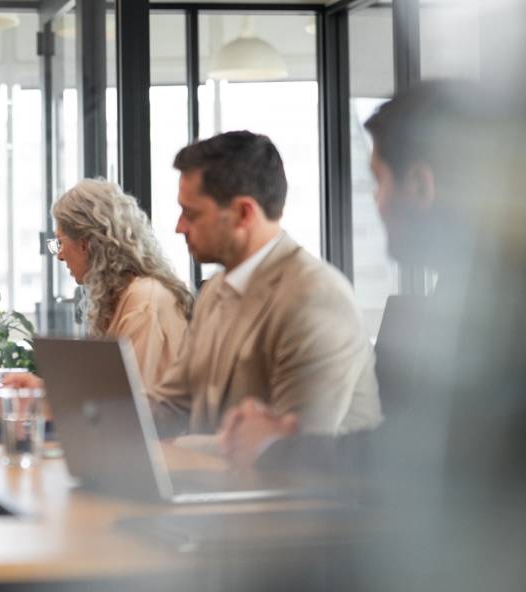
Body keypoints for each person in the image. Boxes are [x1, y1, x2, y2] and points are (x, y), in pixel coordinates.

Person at [218, 81, 510, 469]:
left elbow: (413, 463)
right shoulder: (472, 294)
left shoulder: (494, 317)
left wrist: (273, 446)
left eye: (379, 181)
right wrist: (281, 440)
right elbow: (404, 446)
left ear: (419, 186)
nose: (376, 200)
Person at [149, 130, 381, 436]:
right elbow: (173, 405)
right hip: (211, 468)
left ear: (243, 213)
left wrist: (178, 450)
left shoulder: (316, 297)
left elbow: (291, 448)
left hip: (299, 469)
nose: (180, 227)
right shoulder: (215, 290)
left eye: (191, 214)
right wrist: (97, 416)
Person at [0, 178, 191, 392]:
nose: (59, 256)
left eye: (60, 242)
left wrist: (33, 392)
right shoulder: (125, 297)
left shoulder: (143, 302)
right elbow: (101, 394)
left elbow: (122, 404)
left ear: (85, 244)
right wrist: (17, 384)